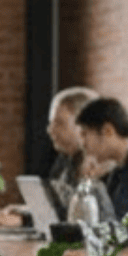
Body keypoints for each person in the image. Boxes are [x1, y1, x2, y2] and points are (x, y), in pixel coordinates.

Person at [42, 86, 101, 220]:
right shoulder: (65, 159)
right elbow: (57, 207)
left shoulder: (104, 167)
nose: (50, 130)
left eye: (59, 123)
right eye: (50, 123)